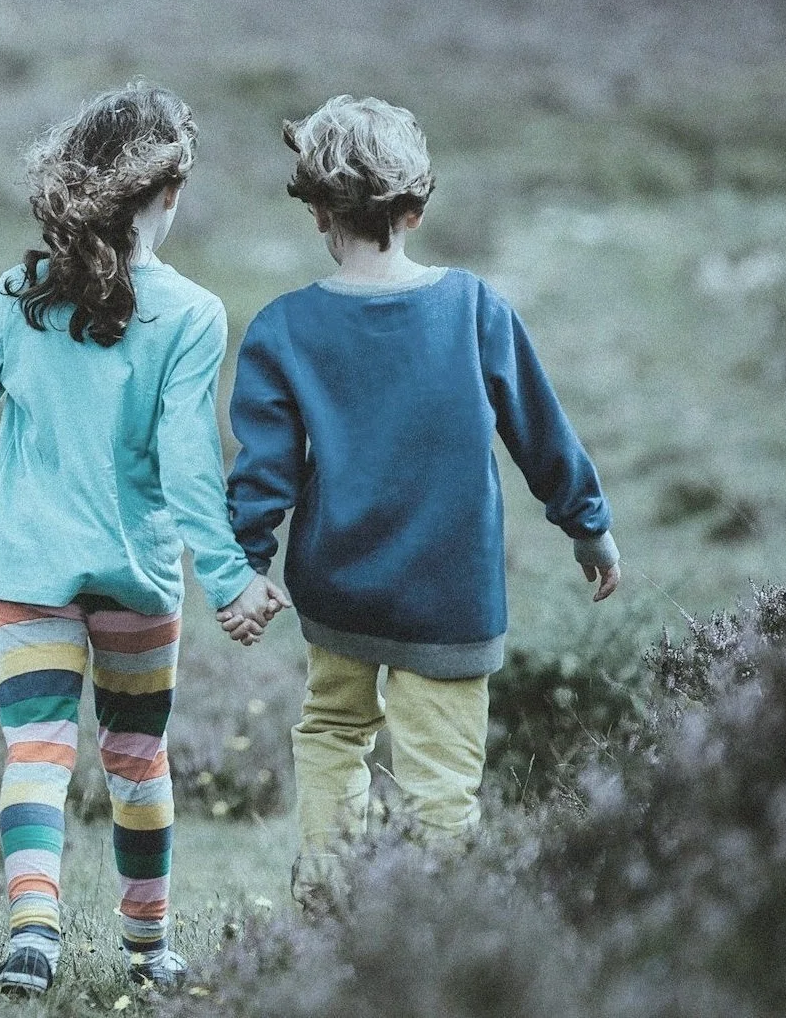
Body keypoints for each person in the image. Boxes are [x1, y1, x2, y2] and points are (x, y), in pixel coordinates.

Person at [0, 82, 285, 999]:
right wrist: (227, 578)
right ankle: (149, 949)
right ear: (170, 192)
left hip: (28, 571)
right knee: (137, 757)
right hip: (139, 576)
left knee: (36, 750)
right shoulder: (191, 312)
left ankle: (32, 935)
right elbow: (191, 465)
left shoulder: (19, 292)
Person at [226, 95, 619, 902]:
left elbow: (263, 469)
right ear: (414, 208)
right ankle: (434, 928)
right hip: (452, 594)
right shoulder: (476, 309)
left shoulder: (283, 328)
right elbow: (541, 431)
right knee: (442, 780)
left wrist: (247, 562)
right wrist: (588, 524)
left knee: (333, 731)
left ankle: (326, 904)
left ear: (318, 212)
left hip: (337, 589)